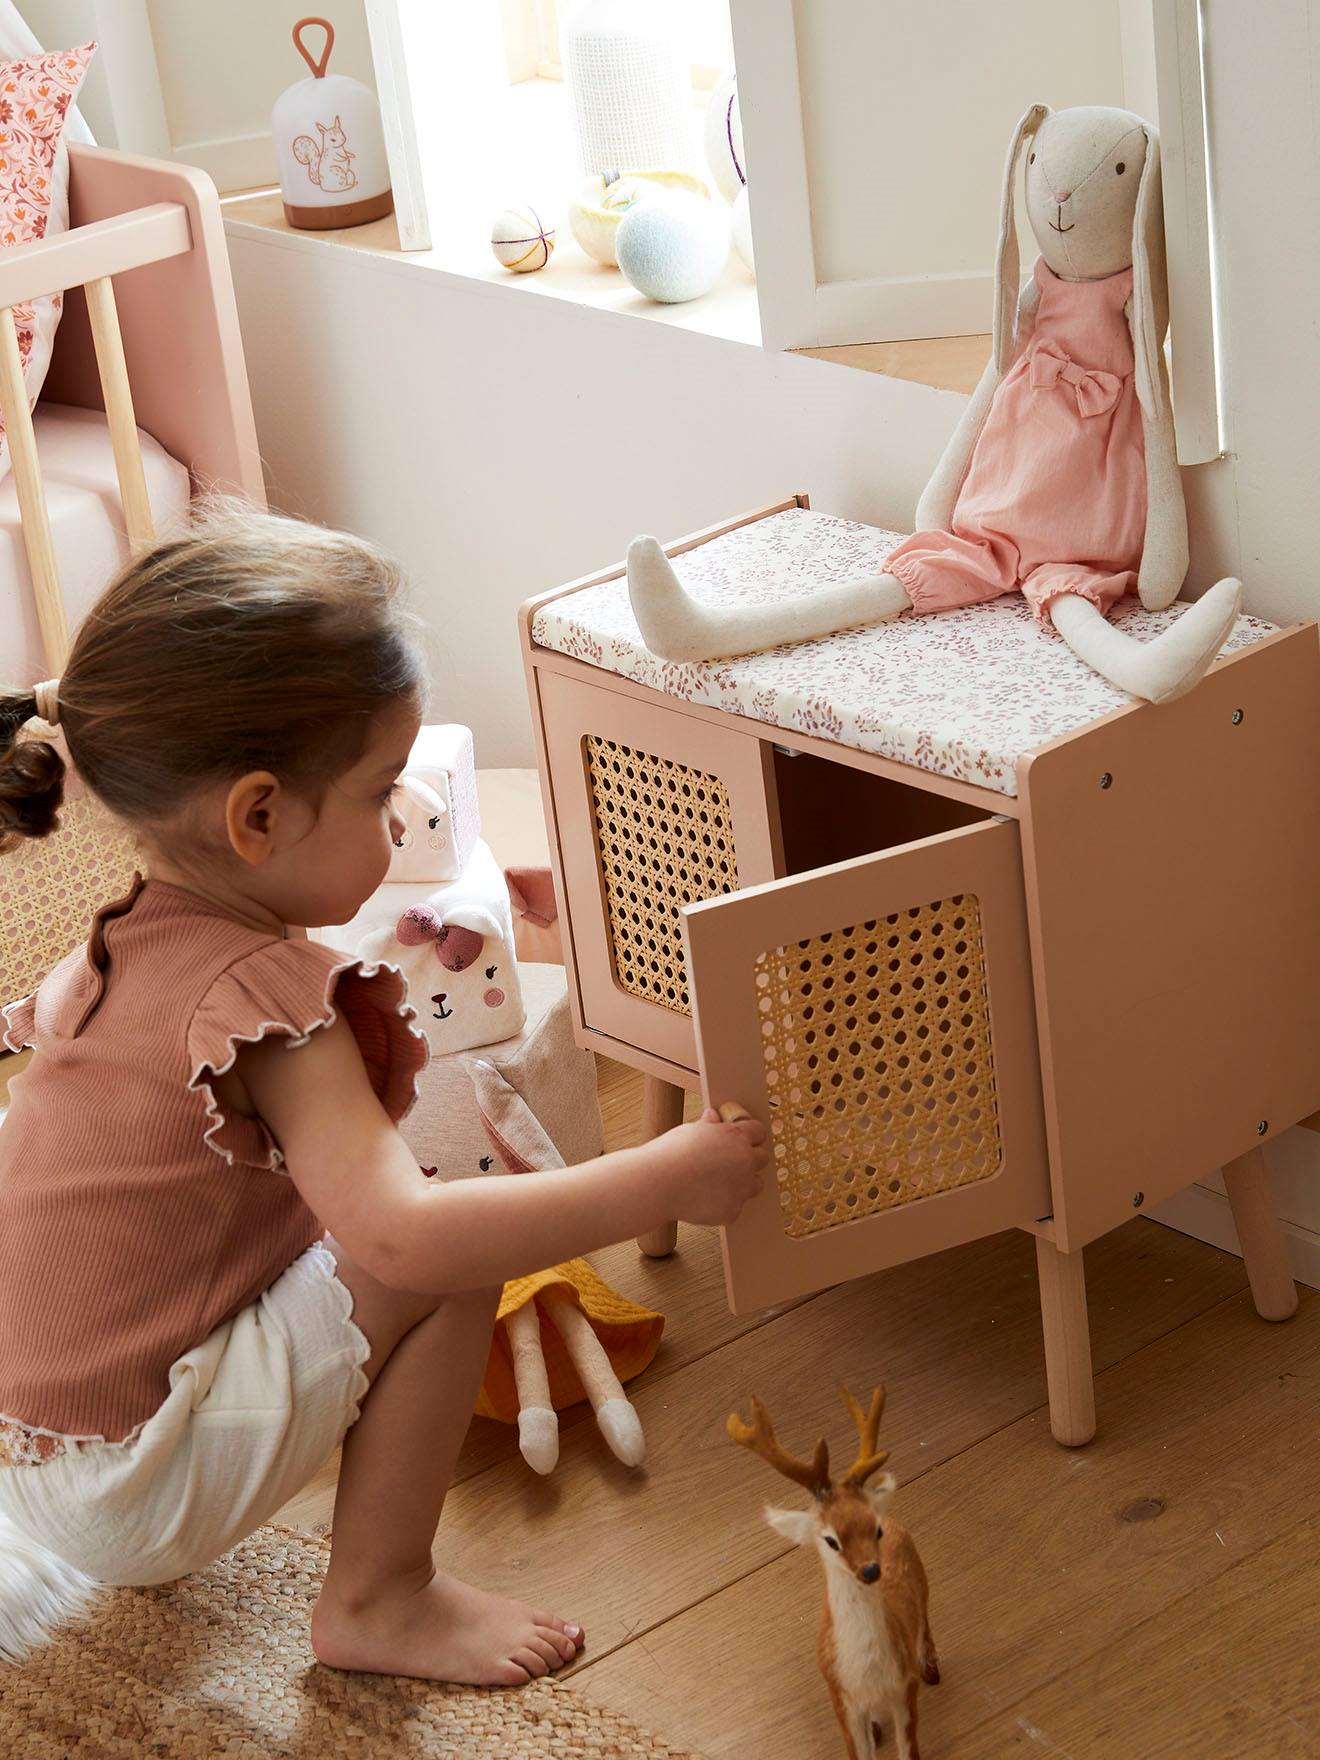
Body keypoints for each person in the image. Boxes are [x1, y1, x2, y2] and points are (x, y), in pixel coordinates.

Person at [0, 509, 766, 1684]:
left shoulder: (115, 940)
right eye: (380, 794)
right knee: (448, 1240)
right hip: (125, 1488)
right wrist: (663, 1176)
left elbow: (164, 1025)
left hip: (32, 1442)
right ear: (258, 815)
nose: (399, 818)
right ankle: (379, 1595)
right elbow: (400, 1232)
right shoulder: (269, 1004)